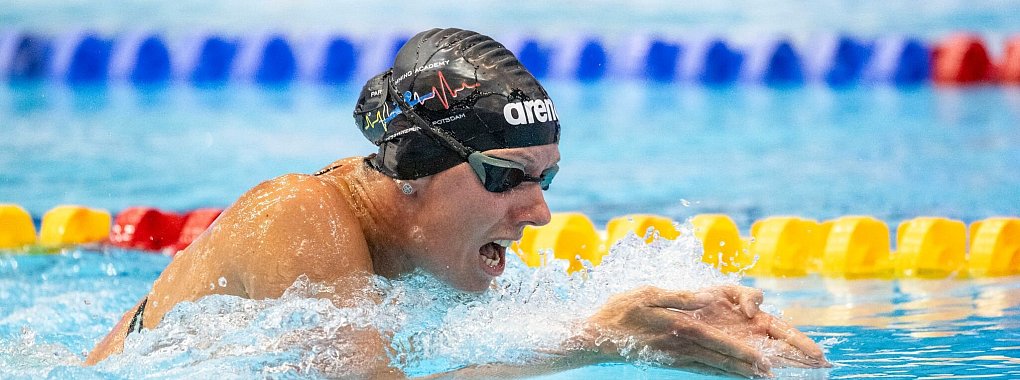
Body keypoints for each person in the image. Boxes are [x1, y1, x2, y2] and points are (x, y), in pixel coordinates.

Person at [86, 28, 829, 377]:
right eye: (507, 176)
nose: (539, 213)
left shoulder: (422, 249)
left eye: (547, 180)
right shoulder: (297, 216)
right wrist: (594, 340)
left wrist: (656, 321)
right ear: (411, 166)